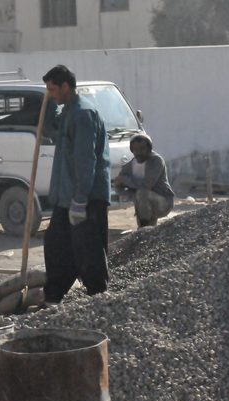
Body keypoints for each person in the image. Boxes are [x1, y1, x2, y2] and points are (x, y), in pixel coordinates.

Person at [41, 64, 111, 303]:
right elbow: (48, 129)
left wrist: (80, 199)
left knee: (88, 249)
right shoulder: (68, 112)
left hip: (86, 198)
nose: (51, 93)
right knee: (56, 246)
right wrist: (48, 103)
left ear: (66, 86)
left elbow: (85, 160)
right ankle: (53, 297)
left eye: (53, 90)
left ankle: (98, 299)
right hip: (65, 196)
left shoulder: (83, 114)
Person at [113, 134, 175, 227]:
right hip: (143, 204)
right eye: (135, 149)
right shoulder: (131, 164)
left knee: (142, 193)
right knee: (140, 196)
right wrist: (129, 192)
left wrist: (125, 181)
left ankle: (145, 227)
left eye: (142, 149)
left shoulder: (156, 161)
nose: (139, 152)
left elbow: (146, 185)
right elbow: (118, 183)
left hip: (163, 202)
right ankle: (145, 231)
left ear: (149, 149)